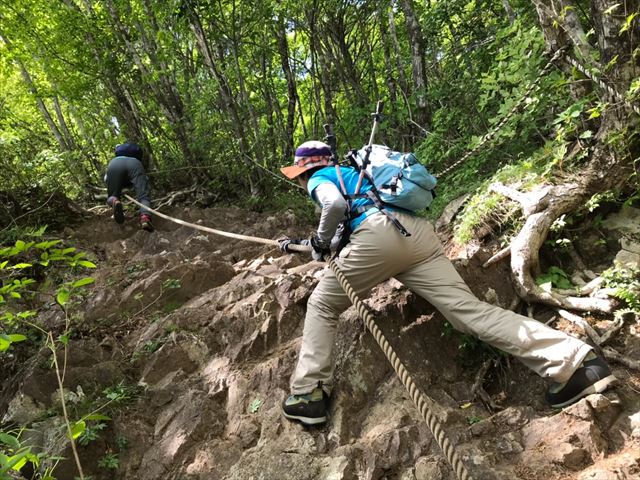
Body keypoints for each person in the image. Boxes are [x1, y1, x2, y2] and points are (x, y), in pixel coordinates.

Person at [278, 140, 617, 426]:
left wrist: (320, 240)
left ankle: (309, 393)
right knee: (468, 311)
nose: (300, 181)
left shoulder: (320, 177)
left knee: (322, 304)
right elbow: (346, 220)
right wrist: (309, 244)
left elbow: (334, 205)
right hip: (416, 234)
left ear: (303, 171)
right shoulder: (356, 175)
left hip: (378, 238)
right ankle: (577, 363)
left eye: (298, 175)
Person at [104, 142, 153, 231]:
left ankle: (114, 201)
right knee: (144, 196)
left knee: (112, 196)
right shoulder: (135, 159)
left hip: (115, 165)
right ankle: (145, 218)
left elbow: (106, 179)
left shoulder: (114, 160)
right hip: (135, 164)